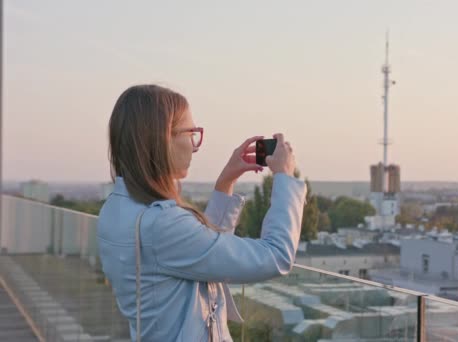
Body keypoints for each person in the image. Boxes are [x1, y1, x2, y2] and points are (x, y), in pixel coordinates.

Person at [97, 84, 306, 341]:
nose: (195, 146)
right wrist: (285, 177)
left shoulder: (118, 208)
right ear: (164, 139)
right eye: (191, 132)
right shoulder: (160, 224)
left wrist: (226, 182)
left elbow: (201, 253)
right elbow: (275, 256)